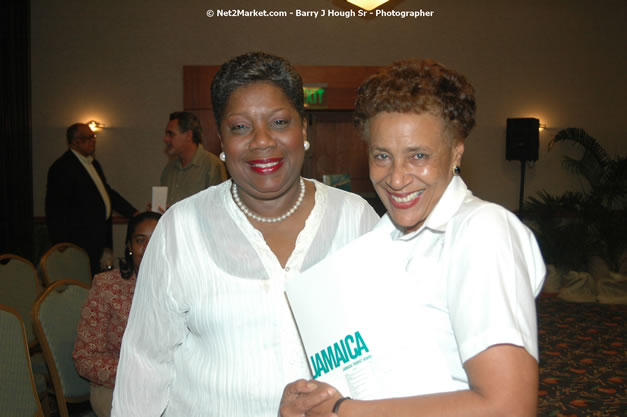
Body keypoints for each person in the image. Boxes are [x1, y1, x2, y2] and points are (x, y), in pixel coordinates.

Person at [111, 52, 380, 417]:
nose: (262, 141)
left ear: (304, 129)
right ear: (219, 138)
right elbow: (145, 363)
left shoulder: (355, 219)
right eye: (240, 127)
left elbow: (385, 344)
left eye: (279, 122)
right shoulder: (181, 228)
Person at [280, 59, 546, 417]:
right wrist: (314, 399)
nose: (397, 178)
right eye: (382, 157)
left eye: (418, 156)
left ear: (456, 151)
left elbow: (508, 406)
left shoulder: (481, 231)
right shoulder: (380, 236)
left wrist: (342, 411)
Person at [73, 211, 161, 417]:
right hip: (115, 387)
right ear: (129, 246)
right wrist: (136, 373)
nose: (148, 247)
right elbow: (84, 358)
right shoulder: (107, 286)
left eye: (156, 239)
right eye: (140, 240)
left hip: (170, 385)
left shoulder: (182, 286)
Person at [45, 123, 138, 274]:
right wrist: (63, 247)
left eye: (93, 137)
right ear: (75, 142)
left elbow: (107, 193)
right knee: (81, 283)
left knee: (98, 283)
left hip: (99, 238)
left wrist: (132, 213)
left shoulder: (93, 163)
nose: (93, 141)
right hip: (79, 242)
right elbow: (54, 210)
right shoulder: (62, 167)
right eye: (88, 138)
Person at [160, 111, 227, 207]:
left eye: (171, 134)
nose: (165, 139)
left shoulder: (212, 165)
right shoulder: (168, 169)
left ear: (188, 135)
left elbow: (217, 208)